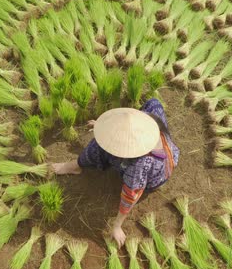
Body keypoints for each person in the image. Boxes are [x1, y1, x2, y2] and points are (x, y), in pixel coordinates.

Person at [51, 98, 180, 247]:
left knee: (98, 147)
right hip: (163, 150)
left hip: (156, 176)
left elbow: (131, 194)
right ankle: (76, 165)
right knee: (154, 102)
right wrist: (103, 127)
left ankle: (75, 166)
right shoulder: (143, 119)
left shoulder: (139, 164)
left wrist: (117, 226)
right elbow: (126, 124)